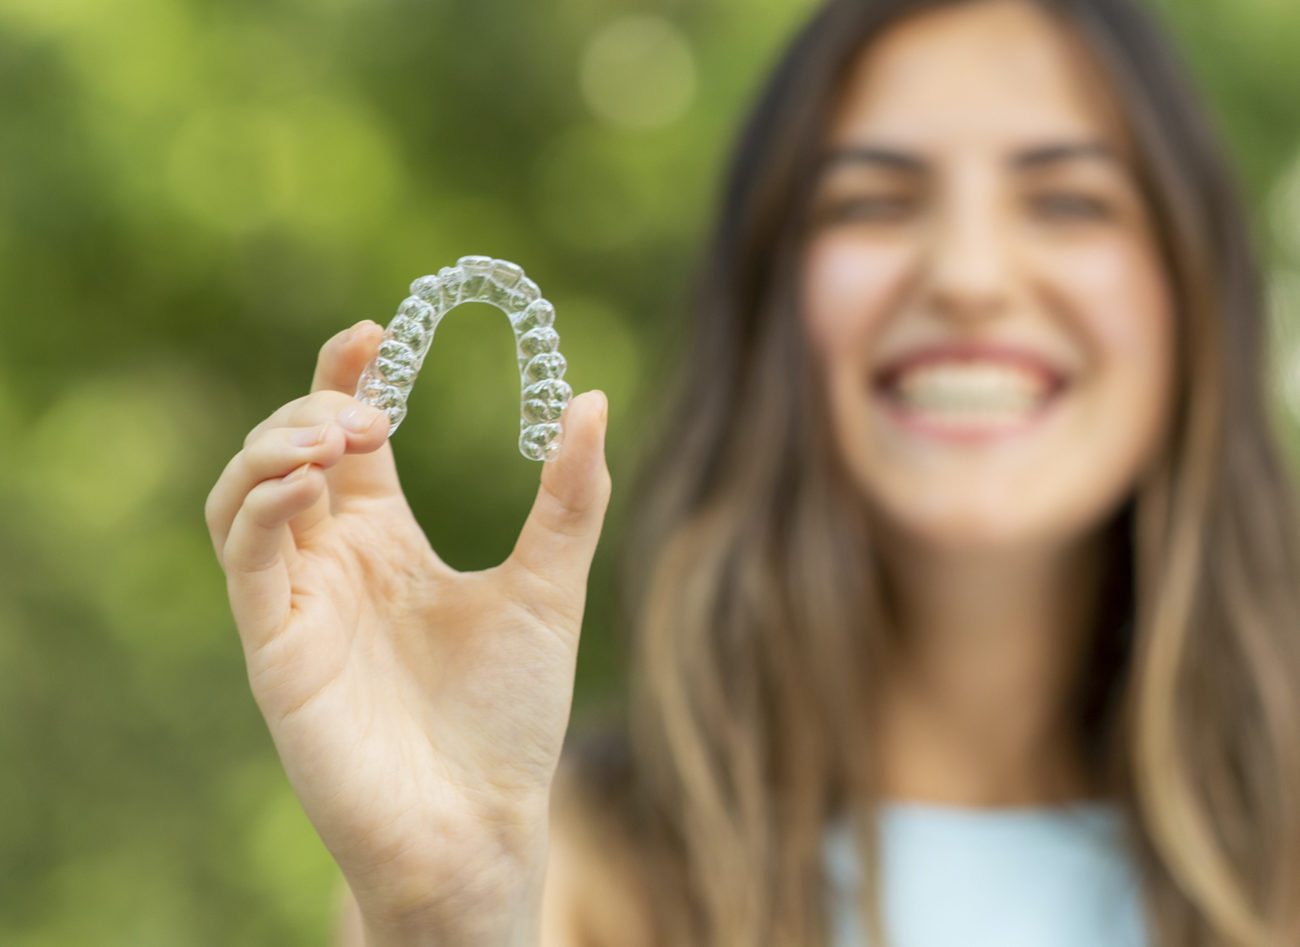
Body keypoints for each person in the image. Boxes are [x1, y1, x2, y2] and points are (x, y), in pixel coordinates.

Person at [204, 0, 1300, 944]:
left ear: (1192, 294)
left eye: (1068, 200)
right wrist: (445, 918)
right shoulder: (554, 870)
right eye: (874, 200)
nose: (968, 274)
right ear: (772, 310)